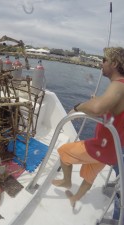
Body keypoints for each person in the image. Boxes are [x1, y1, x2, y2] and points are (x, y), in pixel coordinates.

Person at [52, 47, 124, 208]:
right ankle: (76, 198)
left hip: (101, 147)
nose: (101, 63)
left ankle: (66, 181)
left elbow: (97, 109)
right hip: (112, 150)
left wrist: (80, 106)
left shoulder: (119, 85)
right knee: (89, 176)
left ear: (115, 63)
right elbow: (114, 111)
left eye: (104, 60)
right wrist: (99, 100)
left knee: (63, 151)